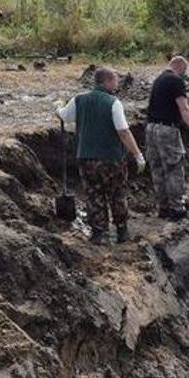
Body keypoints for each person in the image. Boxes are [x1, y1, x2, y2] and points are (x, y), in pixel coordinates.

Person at [56, 68, 146, 245]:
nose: (117, 84)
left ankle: (100, 233)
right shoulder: (113, 102)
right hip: (111, 158)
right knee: (116, 193)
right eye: (115, 81)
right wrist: (137, 154)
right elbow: (123, 132)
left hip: (87, 157)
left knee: (94, 194)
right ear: (107, 81)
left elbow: (64, 116)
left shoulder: (78, 100)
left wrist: (58, 108)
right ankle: (121, 231)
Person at [144, 55, 189, 220]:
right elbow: (184, 109)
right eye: (184, 72)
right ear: (180, 66)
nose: (184, 76)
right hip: (166, 130)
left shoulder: (159, 79)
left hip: (151, 129)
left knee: (157, 169)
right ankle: (177, 209)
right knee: (173, 169)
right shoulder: (176, 81)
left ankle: (163, 208)